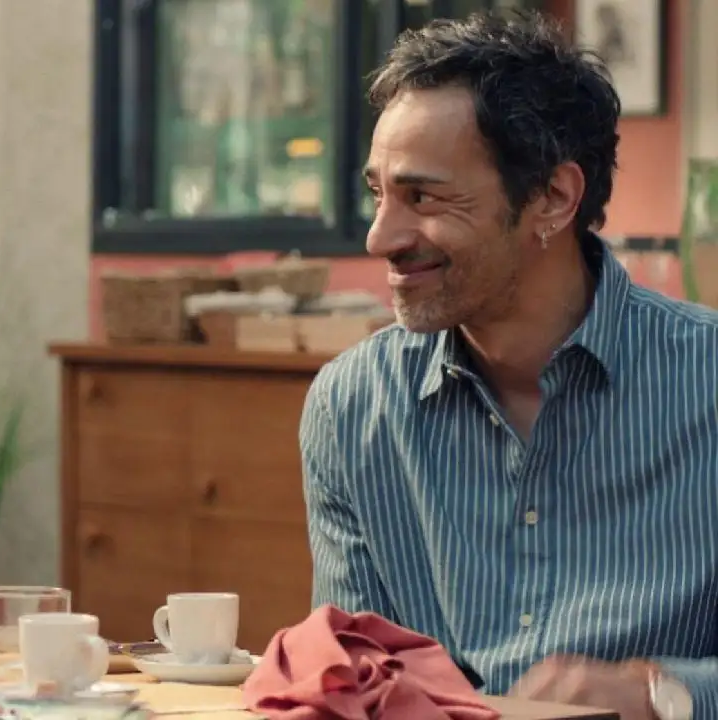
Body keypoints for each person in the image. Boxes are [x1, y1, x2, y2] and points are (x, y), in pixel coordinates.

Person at [302, 11, 715, 720]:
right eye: (379, 194)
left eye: (424, 197)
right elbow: (355, 678)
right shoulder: (351, 407)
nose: (380, 237)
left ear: (553, 199)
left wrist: (660, 694)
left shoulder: (706, 383)